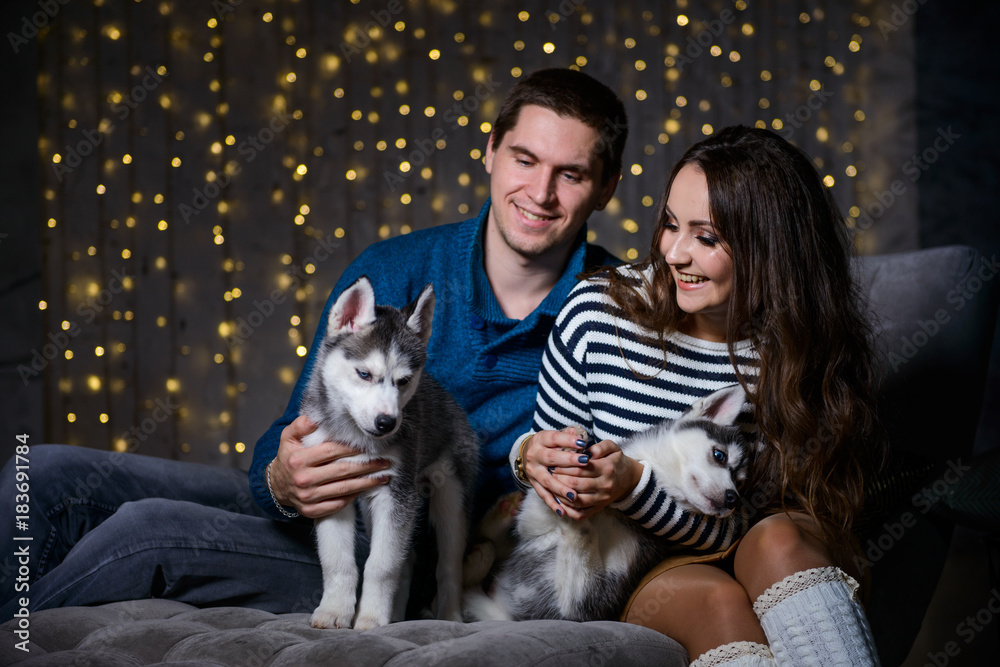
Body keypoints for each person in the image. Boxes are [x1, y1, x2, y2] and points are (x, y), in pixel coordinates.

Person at [0, 67, 628, 618]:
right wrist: (281, 478)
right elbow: (289, 430)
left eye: (570, 174)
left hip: (411, 542)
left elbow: (638, 469)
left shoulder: (616, 310)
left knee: (147, 530)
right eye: (524, 159)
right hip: (325, 506)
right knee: (47, 474)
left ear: (604, 188)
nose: (540, 194)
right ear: (490, 151)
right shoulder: (393, 268)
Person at [509, 126, 883, 666]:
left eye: (706, 238)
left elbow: (739, 525)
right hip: (646, 559)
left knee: (775, 541)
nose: (675, 253)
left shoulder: (796, 344)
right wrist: (533, 459)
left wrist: (634, 484)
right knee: (714, 601)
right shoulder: (598, 313)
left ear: (769, 249)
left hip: (769, 538)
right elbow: (549, 471)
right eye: (669, 225)